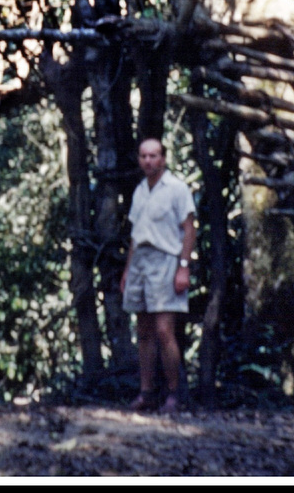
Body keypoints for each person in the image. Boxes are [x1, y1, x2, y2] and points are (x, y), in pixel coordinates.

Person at [120, 137, 196, 415]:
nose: (148, 161)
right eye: (143, 156)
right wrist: (128, 269)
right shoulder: (140, 190)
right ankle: (147, 393)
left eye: (153, 156)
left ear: (163, 158)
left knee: (165, 330)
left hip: (167, 261)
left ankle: (174, 395)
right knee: (144, 331)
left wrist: (184, 266)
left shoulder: (177, 189)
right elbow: (135, 235)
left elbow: (189, 228)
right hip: (140, 262)